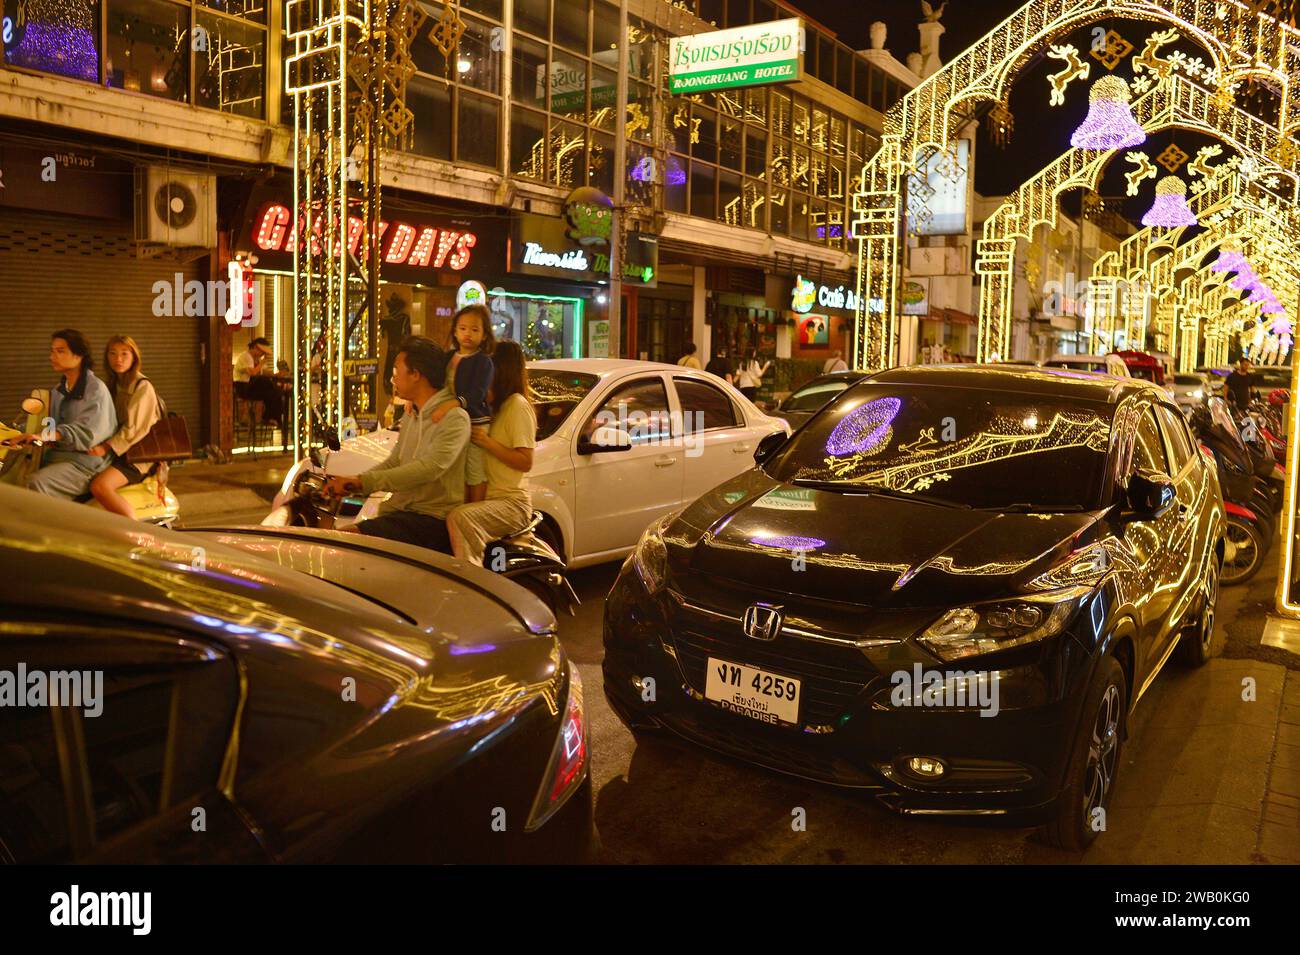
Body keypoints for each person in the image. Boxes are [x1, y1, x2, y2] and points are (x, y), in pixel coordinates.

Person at [326, 337, 470, 553]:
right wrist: (356, 483)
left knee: (345, 545)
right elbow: (395, 461)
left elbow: (429, 468)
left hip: (431, 519)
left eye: (396, 372)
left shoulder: (454, 418)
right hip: (402, 511)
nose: (392, 380)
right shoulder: (412, 414)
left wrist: (362, 482)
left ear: (416, 374)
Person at [446, 341, 538, 567]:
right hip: (487, 498)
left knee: (460, 517)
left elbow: (525, 461)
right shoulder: (491, 406)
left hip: (510, 503)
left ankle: (472, 580)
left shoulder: (517, 406)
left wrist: (488, 443)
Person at [4, 330, 117, 500]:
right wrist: (14, 431)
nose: (52, 356)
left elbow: (86, 432)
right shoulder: (59, 390)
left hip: (84, 464)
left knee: (37, 482)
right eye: (52, 351)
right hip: (58, 458)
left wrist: (45, 435)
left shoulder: (95, 390)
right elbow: (47, 422)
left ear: (79, 356)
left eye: (60, 351)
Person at [88, 336, 162, 519]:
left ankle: (133, 530)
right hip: (119, 451)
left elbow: (134, 429)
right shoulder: (113, 385)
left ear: (134, 357)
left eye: (124, 354)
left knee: (100, 486)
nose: (118, 359)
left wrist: (105, 447)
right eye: (112, 354)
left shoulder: (142, 386)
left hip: (137, 455)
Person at [429, 304, 496, 504]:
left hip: (475, 420)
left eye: (475, 330)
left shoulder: (483, 361)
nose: (468, 334)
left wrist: (454, 404)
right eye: (463, 328)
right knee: (455, 467)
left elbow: (478, 393)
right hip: (451, 420)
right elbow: (436, 384)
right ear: (455, 331)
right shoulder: (448, 357)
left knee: (474, 467)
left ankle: (475, 510)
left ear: (484, 335)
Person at [233, 337, 283, 427]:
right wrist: (261, 363)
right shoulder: (245, 356)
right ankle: (269, 417)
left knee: (275, 393)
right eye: (262, 352)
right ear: (255, 348)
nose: (262, 354)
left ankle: (272, 417)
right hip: (243, 387)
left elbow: (263, 371)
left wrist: (275, 374)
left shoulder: (256, 359)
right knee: (266, 383)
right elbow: (252, 372)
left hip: (252, 387)